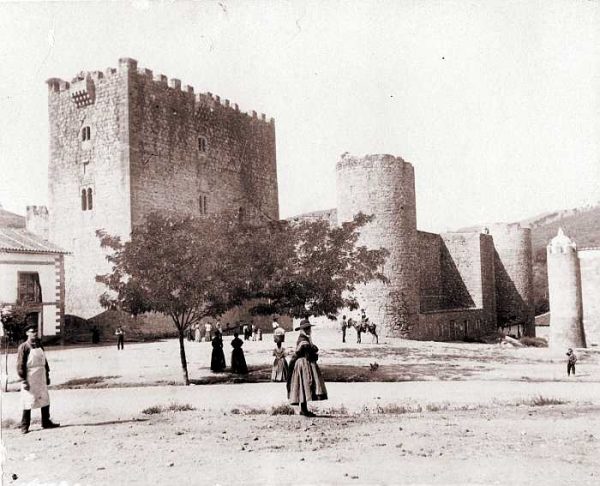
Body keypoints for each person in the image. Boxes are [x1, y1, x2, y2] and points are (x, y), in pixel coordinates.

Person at [16, 325, 60, 434]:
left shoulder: (39, 345)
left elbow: (45, 361)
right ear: (27, 333)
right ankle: (24, 426)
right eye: (32, 331)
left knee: (45, 398)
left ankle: (46, 422)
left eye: (36, 331)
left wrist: (47, 374)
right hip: (29, 377)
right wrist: (23, 380)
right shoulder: (24, 347)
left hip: (41, 376)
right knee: (28, 400)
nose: (35, 333)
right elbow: (20, 365)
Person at [287, 318, 328, 417]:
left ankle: (304, 409)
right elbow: (309, 354)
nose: (309, 330)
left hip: (303, 363)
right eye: (307, 328)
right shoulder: (303, 341)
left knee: (303, 385)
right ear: (304, 330)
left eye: (309, 328)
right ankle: (304, 410)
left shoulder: (305, 339)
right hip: (303, 364)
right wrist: (314, 352)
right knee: (304, 384)